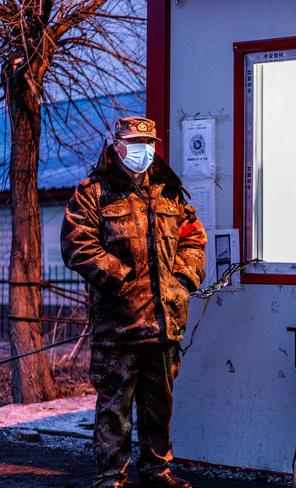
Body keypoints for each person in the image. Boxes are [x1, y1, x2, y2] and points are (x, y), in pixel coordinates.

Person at [61, 117, 207, 488]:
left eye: (150, 144)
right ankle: (112, 477)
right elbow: (77, 244)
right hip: (119, 326)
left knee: (160, 408)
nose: (144, 152)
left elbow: (193, 237)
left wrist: (183, 278)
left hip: (164, 323)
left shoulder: (168, 191)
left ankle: (157, 472)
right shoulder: (93, 193)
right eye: (135, 144)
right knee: (115, 411)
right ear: (117, 146)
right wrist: (119, 277)